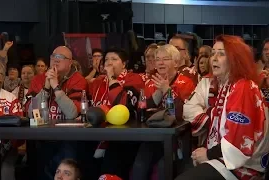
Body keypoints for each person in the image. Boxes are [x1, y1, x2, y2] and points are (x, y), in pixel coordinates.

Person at [176, 35, 269, 180]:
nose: (214, 58)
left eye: (221, 53)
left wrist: (207, 154)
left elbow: (237, 142)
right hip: (227, 160)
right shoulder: (229, 85)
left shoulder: (243, 87)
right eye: (213, 53)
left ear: (235, 59)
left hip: (244, 168)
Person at [132, 44, 195, 180]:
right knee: (139, 165)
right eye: (157, 59)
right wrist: (157, 94)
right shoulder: (150, 82)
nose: (160, 63)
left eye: (165, 59)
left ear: (176, 62)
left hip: (176, 139)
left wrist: (167, 90)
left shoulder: (186, 83)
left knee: (162, 168)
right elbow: (141, 112)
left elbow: (182, 113)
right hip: (152, 136)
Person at [28, 46, 87, 180]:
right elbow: (31, 112)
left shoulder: (78, 80)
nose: (56, 60)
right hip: (42, 136)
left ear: (70, 62)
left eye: (61, 57)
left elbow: (72, 113)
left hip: (68, 137)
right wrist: (46, 88)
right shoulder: (38, 79)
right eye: (53, 56)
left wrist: (56, 86)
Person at [89, 47, 144, 179]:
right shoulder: (97, 82)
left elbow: (122, 104)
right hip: (96, 133)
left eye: (114, 59)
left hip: (124, 136)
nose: (109, 62)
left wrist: (112, 78)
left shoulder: (134, 78)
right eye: (106, 59)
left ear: (124, 64)